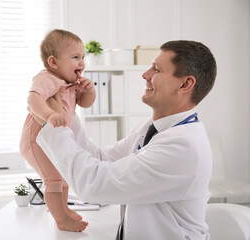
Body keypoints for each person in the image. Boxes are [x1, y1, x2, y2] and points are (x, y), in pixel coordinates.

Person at [35, 40, 217, 239]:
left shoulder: (184, 146)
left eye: (156, 70)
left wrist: (52, 124)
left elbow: (94, 185)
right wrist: (65, 112)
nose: (145, 74)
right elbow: (102, 157)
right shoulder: (154, 126)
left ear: (185, 84)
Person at [19, 29, 95, 232]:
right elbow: (33, 99)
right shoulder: (47, 78)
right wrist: (49, 115)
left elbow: (85, 104)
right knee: (53, 179)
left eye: (83, 57)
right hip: (35, 140)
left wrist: (89, 91)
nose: (81, 62)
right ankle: (60, 219)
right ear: (53, 62)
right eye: (75, 57)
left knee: (63, 175)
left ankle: (64, 210)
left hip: (49, 139)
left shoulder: (69, 83)